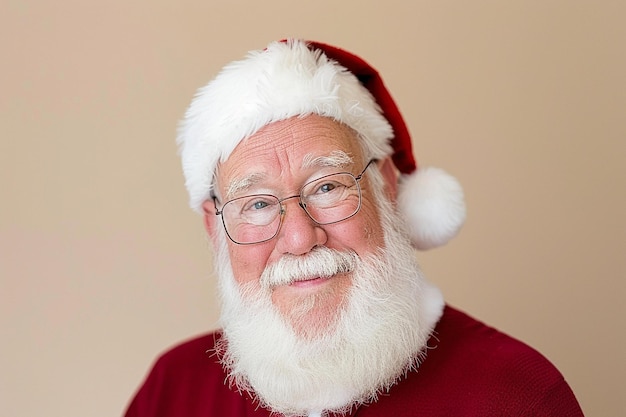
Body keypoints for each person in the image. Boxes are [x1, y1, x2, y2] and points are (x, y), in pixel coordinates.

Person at [124, 39, 583, 417]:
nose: (301, 238)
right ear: (215, 226)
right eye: (258, 203)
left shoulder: (518, 396)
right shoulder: (172, 392)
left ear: (384, 187)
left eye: (326, 187)